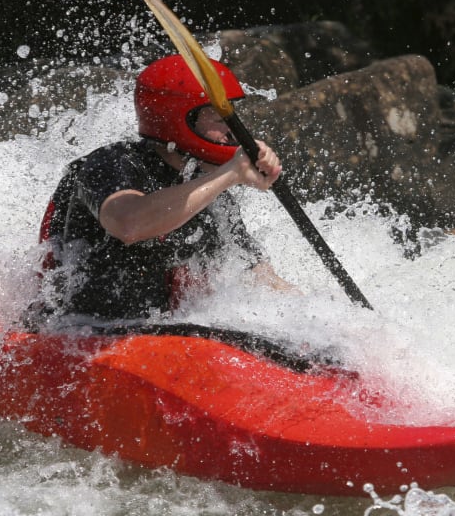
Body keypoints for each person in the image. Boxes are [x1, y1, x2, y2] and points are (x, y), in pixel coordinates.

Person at [30, 54, 294, 323]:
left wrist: (322, 320)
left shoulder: (211, 192)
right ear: (177, 119)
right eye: (218, 119)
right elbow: (128, 224)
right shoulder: (110, 164)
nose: (233, 133)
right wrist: (230, 174)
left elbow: (260, 277)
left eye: (233, 119)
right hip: (73, 331)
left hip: (155, 339)